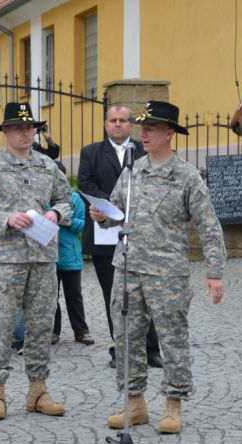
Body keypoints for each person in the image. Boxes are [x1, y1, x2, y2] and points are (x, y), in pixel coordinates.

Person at [90, 101, 226, 434]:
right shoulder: (133, 171)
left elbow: (209, 226)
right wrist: (103, 215)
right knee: (126, 338)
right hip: (128, 268)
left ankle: (173, 405)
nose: (143, 134)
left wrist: (214, 272)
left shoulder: (187, 176)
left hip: (167, 273)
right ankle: (133, 404)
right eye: (143, 128)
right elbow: (116, 213)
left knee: (172, 339)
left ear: (169, 133)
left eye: (150, 129)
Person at [0, 102, 72, 420]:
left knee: (40, 326)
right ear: (6, 132)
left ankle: (38, 391)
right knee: (1, 326)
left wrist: (55, 213)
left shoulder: (47, 166)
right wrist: (5, 218)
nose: (26, 134)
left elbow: (67, 199)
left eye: (30, 128)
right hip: (4, 260)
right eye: (19, 129)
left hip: (41, 257)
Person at [77, 104, 163, 369]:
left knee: (145, 293)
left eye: (122, 120)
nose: (117, 124)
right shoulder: (91, 152)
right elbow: (85, 184)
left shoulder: (143, 150)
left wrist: (126, 209)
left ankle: (151, 350)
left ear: (130, 125)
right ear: (106, 124)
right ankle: (120, 348)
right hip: (105, 231)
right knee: (113, 295)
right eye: (112, 120)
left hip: (140, 233)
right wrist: (112, 206)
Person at [51, 179, 93, 346]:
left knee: (74, 296)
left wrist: (68, 222)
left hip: (70, 255)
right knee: (50, 296)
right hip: (48, 255)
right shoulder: (42, 196)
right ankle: (53, 331)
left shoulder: (74, 198)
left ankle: (81, 331)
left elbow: (85, 224)